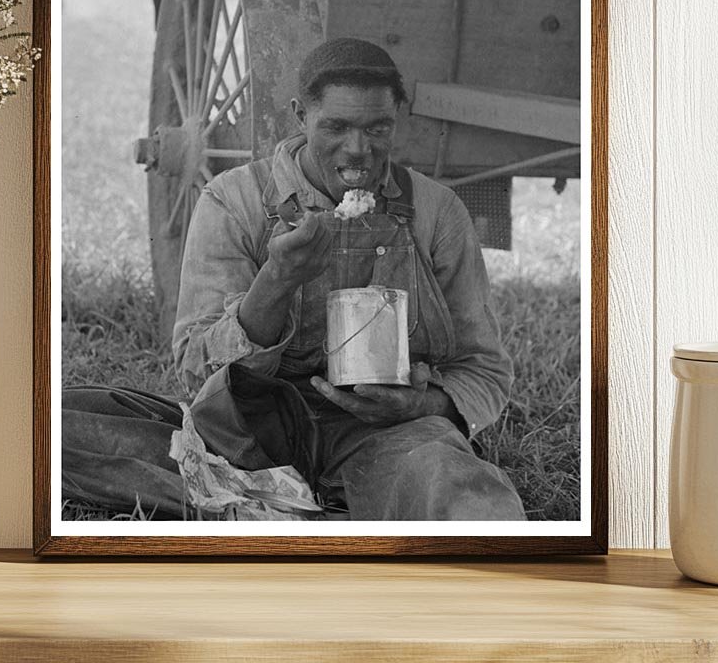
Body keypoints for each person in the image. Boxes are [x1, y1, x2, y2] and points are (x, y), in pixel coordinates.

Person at [173, 37, 526, 521]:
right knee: (71, 429)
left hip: (387, 436)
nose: (358, 151)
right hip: (250, 430)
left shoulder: (437, 213)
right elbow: (196, 369)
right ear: (300, 115)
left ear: (396, 119)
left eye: (377, 128)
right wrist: (276, 280)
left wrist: (422, 405)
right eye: (335, 127)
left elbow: (483, 369)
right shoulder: (233, 202)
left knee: (468, 503)